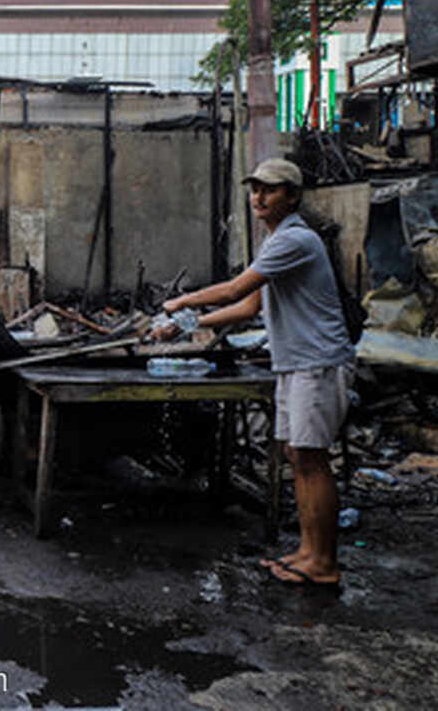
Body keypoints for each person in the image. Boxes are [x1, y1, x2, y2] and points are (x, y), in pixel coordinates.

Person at [156, 157, 355, 586]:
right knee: (297, 456)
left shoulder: (295, 239)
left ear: (293, 196)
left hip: (317, 363)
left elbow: (235, 289)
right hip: (296, 364)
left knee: (312, 459)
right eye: (255, 189)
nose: (259, 197)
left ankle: (324, 562)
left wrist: (183, 302)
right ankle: (307, 551)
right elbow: (249, 307)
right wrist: (189, 324)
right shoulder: (276, 242)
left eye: (271, 189)